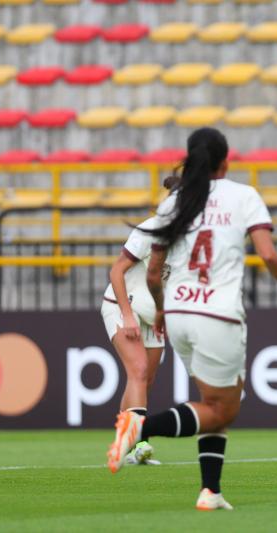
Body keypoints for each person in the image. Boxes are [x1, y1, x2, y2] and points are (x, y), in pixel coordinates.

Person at [106, 127, 277, 510]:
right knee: (223, 407)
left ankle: (210, 491)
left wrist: (164, 310)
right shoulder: (243, 195)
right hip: (217, 312)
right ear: (226, 160)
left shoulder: (176, 202)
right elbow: (268, 255)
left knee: (214, 405)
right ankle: (139, 426)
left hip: (180, 312)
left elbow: (153, 273)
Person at [100, 176, 178, 466]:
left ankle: (126, 445)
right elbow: (117, 271)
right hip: (123, 308)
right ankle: (141, 443)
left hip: (153, 315)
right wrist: (128, 316)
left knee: (146, 380)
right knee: (139, 371)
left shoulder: (189, 236)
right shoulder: (150, 229)